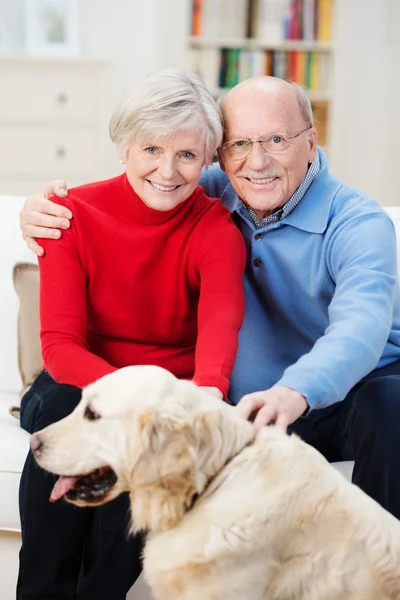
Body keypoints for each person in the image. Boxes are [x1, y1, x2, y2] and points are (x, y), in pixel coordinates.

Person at [21, 75, 400, 524]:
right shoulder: (207, 184)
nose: (257, 161)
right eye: (239, 143)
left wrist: (295, 390)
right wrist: (41, 211)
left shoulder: (358, 223)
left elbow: (361, 326)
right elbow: (146, 174)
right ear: (219, 154)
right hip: (253, 405)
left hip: (348, 393)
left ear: (311, 142)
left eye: (276, 139)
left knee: (391, 407)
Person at [17, 69, 246, 600]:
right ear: (123, 147)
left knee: (150, 439)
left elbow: (218, 333)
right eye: (151, 149)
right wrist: (133, 399)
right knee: (71, 413)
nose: (168, 171)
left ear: (209, 157)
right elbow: (60, 348)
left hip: (167, 392)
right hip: (73, 382)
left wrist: (193, 399)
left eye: (188, 155)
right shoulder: (69, 215)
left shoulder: (216, 231)